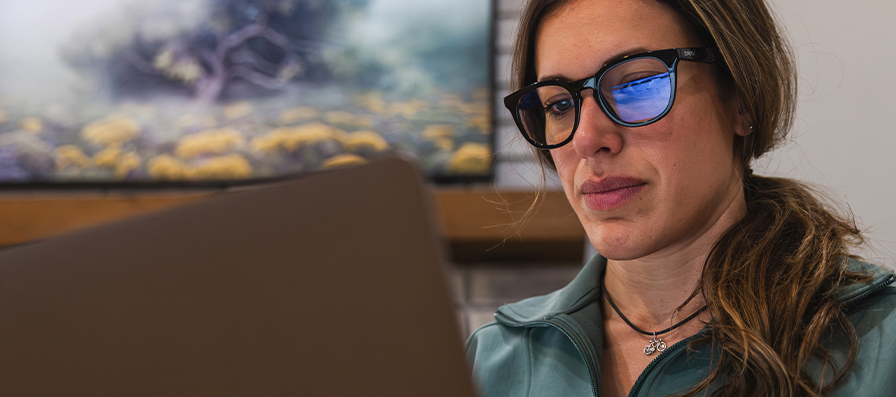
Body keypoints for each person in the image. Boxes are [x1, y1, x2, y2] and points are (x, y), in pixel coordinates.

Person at [465, 0, 896, 396]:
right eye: (559, 105)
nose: (587, 139)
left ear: (741, 99)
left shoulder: (880, 340)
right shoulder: (491, 361)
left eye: (636, 84)